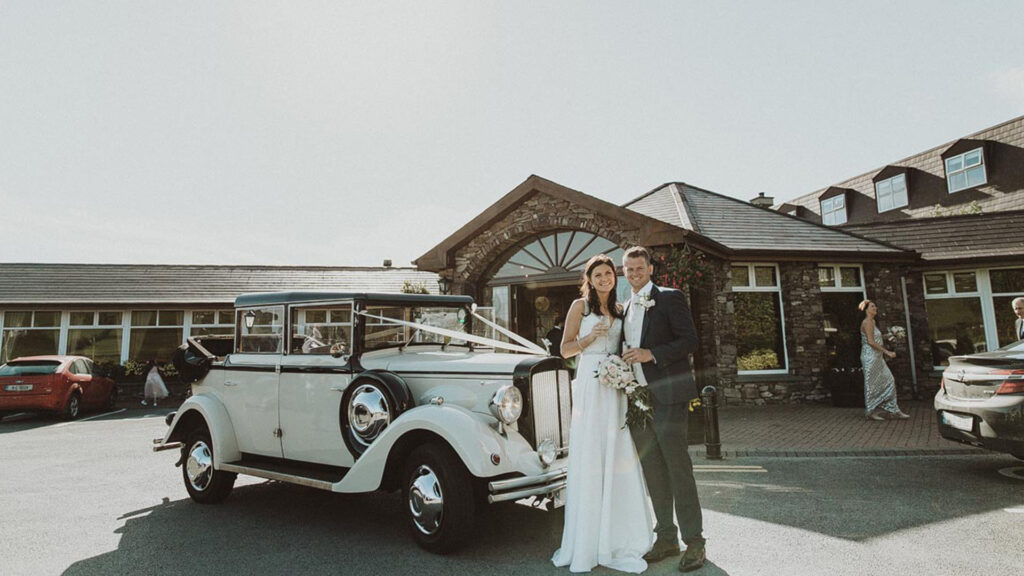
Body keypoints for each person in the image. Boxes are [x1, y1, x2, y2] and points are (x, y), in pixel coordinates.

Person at [552, 254, 653, 574]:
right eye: (598, 274)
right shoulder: (579, 307)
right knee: (593, 452)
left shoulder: (622, 308)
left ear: (615, 276)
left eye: (609, 273)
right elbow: (565, 350)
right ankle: (589, 540)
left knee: (618, 452)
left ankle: (621, 533)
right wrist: (590, 337)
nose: (605, 278)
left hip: (615, 382)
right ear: (590, 278)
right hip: (590, 384)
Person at [620, 246, 707, 573]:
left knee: (677, 467)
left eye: (639, 268)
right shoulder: (624, 306)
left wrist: (651, 353)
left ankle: (694, 541)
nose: (633, 274)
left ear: (651, 269)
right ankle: (666, 537)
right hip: (637, 399)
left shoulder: (670, 297)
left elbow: (690, 341)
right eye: (628, 270)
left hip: (669, 396)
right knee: (652, 470)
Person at [858, 300, 909, 420]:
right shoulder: (867, 322)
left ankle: (893, 409)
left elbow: (876, 337)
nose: (875, 308)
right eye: (872, 306)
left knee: (889, 380)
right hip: (870, 357)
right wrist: (887, 352)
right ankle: (871, 411)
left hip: (877, 357)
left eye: (875, 306)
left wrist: (892, 335)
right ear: (866, 310)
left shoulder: (873, 321)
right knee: (872, 384)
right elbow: (870, 341)